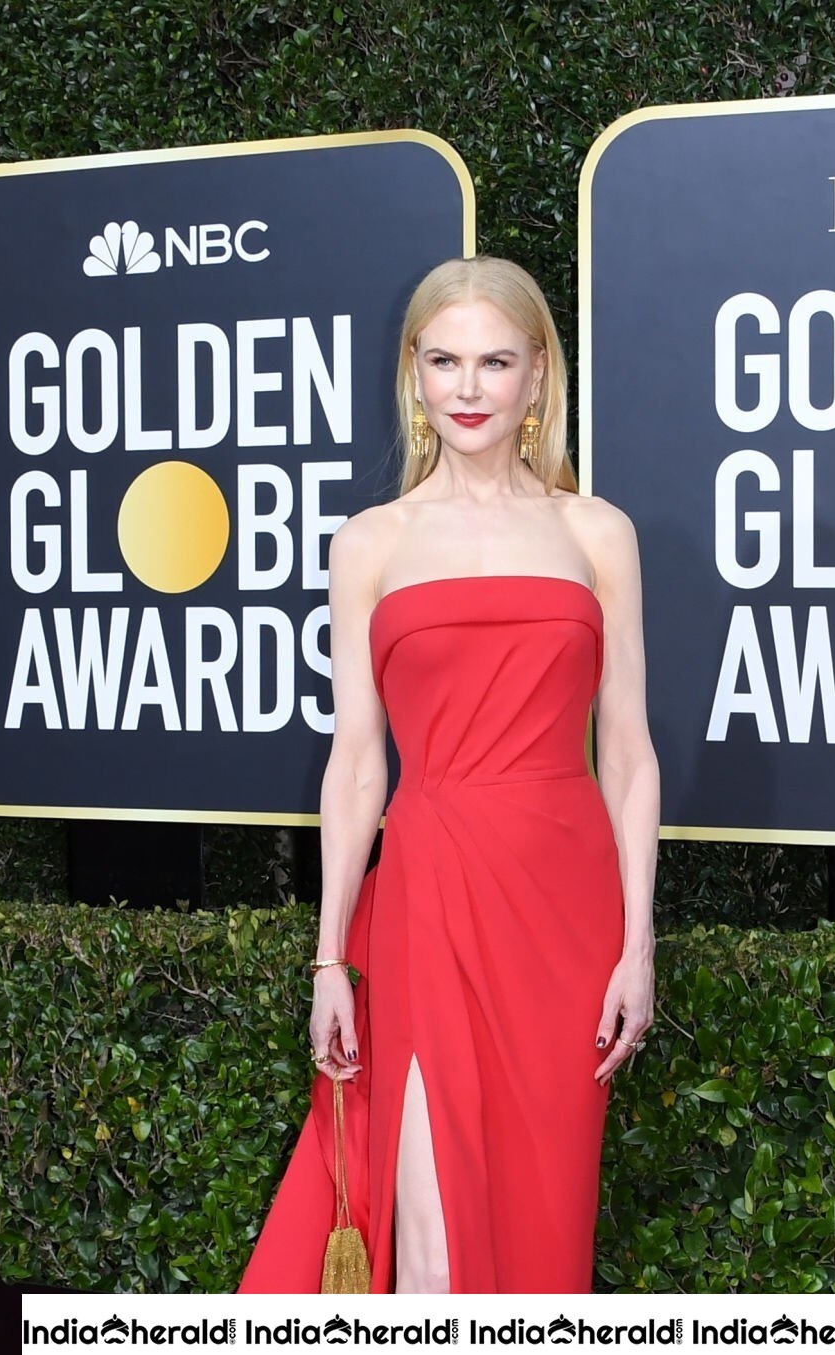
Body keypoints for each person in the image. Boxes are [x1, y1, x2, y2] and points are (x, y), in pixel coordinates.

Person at [240, 256, 659, 1292]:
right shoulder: (371, 543)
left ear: (537, 377)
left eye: (494, 362)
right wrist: (328, 959)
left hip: (565, 913)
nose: (467, 388)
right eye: (444, 361)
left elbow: (629, 754)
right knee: (425, 1238)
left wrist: (637, 946)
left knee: (539, 1226)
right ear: (413, 374)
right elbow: (353, 765)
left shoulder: (594, 532)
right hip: (426, 897)